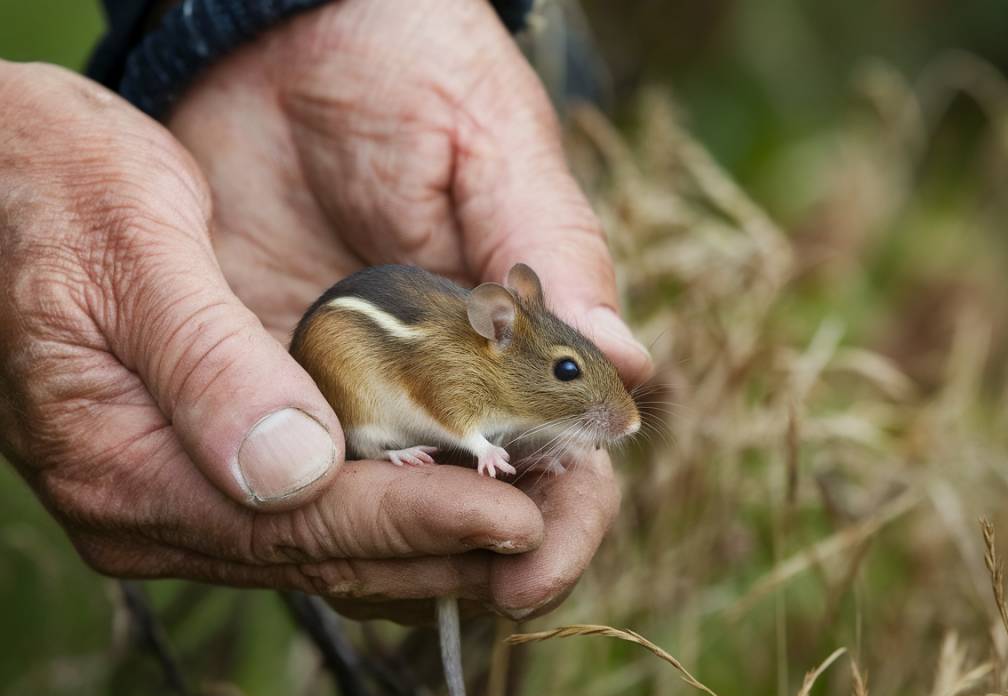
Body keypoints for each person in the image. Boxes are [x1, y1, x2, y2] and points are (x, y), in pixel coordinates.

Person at [0, 0, 652, 624]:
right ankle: (367, 440)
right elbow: (447, 402)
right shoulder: (473, 368)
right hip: (361, 359)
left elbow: (510, 417)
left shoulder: (503, 367)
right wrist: (478, 446)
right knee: (391, 413)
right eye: (568, 374)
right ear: (497, 330)